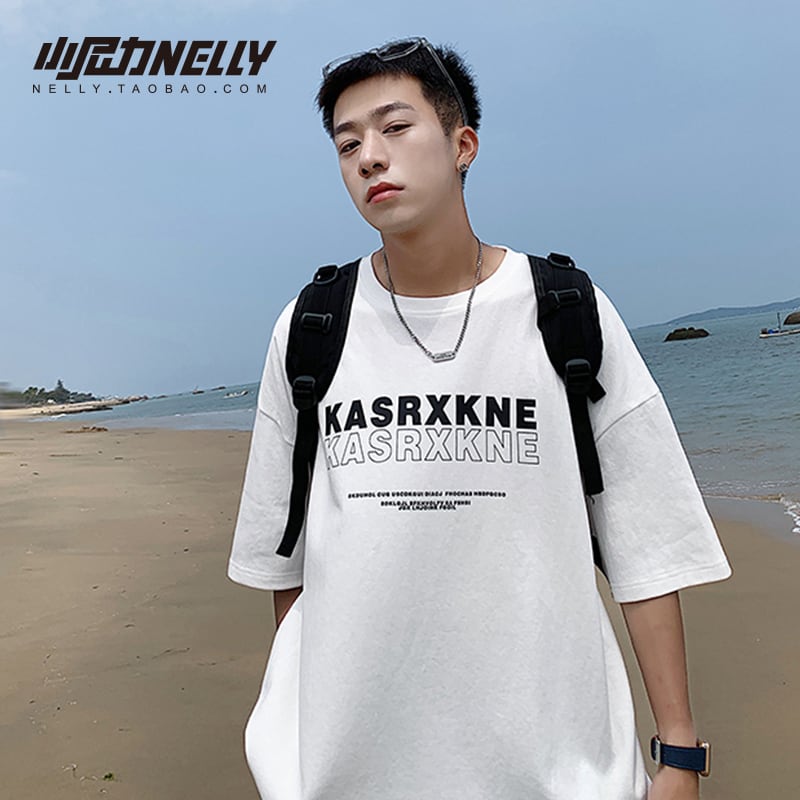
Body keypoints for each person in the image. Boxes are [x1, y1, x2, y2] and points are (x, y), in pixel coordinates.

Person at [228, 37, 731, 800]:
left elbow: (647, 542)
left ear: (463, 144)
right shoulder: (310, 328)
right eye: (347, 143)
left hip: (559, 768)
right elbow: (287, 566)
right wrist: (304, 749)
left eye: (396, 128)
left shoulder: (565, 311)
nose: (370, 156)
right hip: (354, 774)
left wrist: (680, 755)